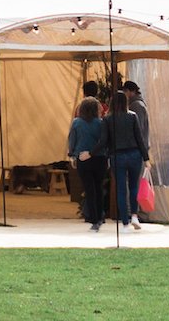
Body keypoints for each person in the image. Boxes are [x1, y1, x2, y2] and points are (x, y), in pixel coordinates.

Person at [106, 88, 150, 231]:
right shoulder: (132, 116)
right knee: (133, 187)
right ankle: (135, 216)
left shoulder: (108, 119)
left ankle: (124, 222)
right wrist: (146, 158)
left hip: (117, 156)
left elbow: (105, 141)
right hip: (134, 155)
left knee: (121, 189)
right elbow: (139, 139)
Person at [68, 97, 109, 231]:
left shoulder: (76, 123)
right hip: (99, 158)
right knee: (98, 187)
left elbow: (72, 140)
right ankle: (100, 215)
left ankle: (93, 217)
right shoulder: (101, 123)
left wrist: (72, 156)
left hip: (83, 158)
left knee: (89, 189)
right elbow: (104, 141)